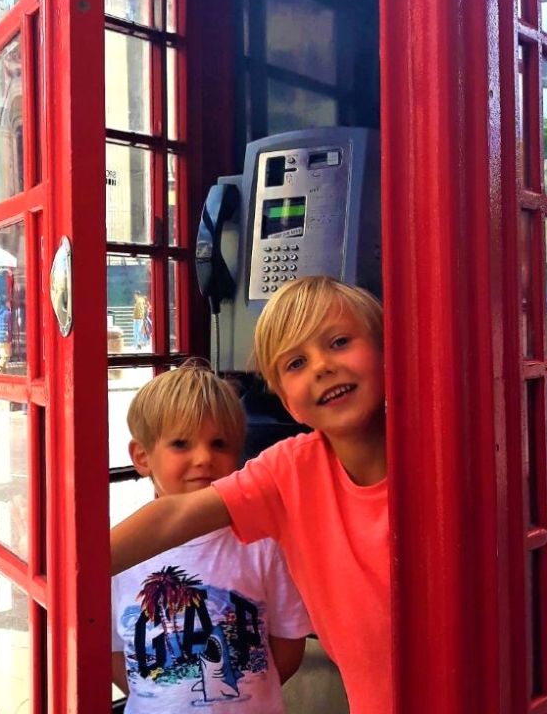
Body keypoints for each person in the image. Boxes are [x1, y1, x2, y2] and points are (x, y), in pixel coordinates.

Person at [111, 276, 390, 714]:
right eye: (295, 363)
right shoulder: (288, 471)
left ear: (384, 350)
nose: (321, 366)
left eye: (339, 342)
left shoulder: (436, 453)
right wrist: (67, 567)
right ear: (286, 401)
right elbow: (173, 517)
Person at [112, 361, 311, 711]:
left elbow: (288, 645)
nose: (204, 458)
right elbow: (116, 655)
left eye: (219, 443)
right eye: (181, 444)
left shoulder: (263, 544)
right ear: (142, 457)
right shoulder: (122, 551)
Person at [0, 300, 12, 371]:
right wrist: (9, 338)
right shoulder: (8, 314)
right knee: (6, 356)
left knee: (2, 355)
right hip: (4, 337)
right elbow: (9, 327)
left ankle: (3, 371)